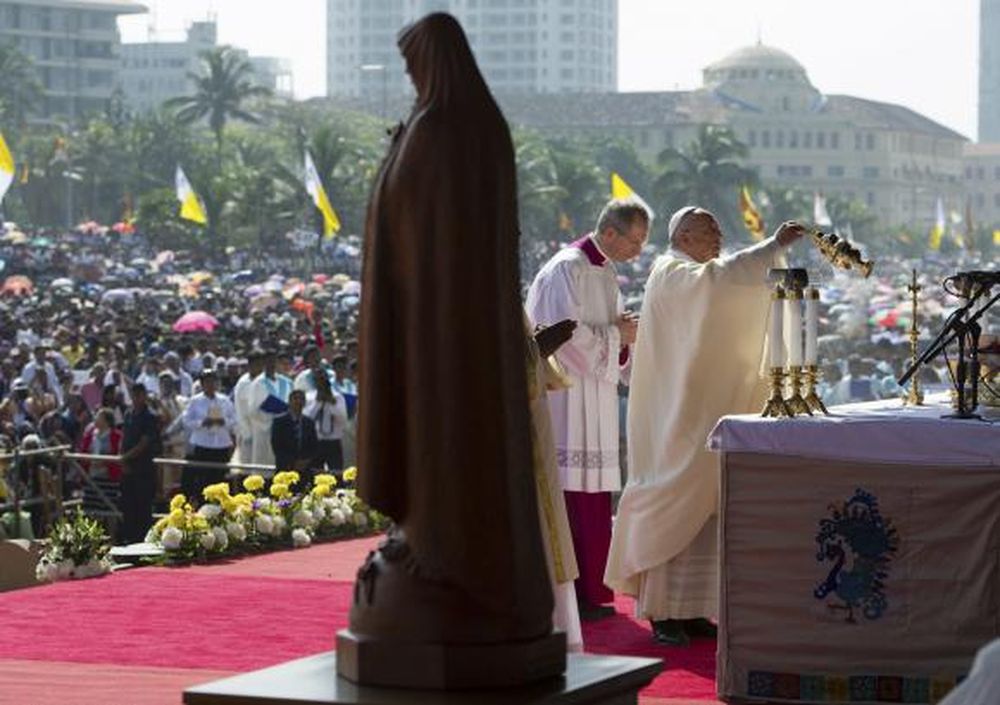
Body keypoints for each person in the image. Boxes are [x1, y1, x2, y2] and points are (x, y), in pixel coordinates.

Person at [354, 11, 552, 645]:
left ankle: (453, 552)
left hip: (448, 326)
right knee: (430, 432)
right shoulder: (445, 123)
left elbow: (427, 214)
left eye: (415, 65)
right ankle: (424, 533)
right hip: (425, 317)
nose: (410, 77)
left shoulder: (449, 126)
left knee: (450, 431)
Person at [604, 207, 805, 646]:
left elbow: (728, 284)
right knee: (672, 498)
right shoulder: (671, 271)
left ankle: (693, 609)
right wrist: (772, 247)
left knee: (708, 508)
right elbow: (716, 284)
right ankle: (661, 612)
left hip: (704, 412)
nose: (717, 235)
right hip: (677, 419)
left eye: (717, 228)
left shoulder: (698, 270)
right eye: (709, 229)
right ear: (685, 236)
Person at [525, 198, 648, 620]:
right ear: (609, 232)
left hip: (594, 399)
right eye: (634, 240)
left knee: (593, 496)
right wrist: (619, 335)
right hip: (566, 400)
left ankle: (592, 592)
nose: (638, 250)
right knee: (569, 493)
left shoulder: (606, 270)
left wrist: (623, 336)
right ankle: (571, 594)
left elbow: (609, 335)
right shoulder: (568, 267)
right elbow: (565, 340)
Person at [181, 370, 237, 501]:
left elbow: (234, 418)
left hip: (221, 444)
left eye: (213, 381)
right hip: (203, 444)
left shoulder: (224, 400)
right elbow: (186, 420)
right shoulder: (195, 400)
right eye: (207, 382)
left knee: (220, 479)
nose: (211, 385)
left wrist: (224, 422)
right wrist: (202, 422)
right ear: (202, 384)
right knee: (202, 480)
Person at [119, 383, 161, 544]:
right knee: (128, 506)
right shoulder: (129, 414)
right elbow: (125, 437)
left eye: (139, 394)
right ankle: (129, 539)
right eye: (134, 394)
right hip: (128, 469)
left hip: (143, 468)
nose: (136, 398)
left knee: (143, 508)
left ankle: (143, 541)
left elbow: (144, 442)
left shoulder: (149, 416)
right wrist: (122, 459)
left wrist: (126, 457)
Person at [247, 351, 292, 470]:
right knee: (265, 467)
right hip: (266, 429)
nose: (271, 364)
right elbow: (253, 410)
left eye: (273, 361)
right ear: (263, 363)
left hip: (285, 428)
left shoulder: (286, 382)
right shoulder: (257, 383)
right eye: (268, 361)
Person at [304, 370, 347, 478]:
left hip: (333, 442)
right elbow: (307, 419)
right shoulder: (309, 397)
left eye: (323, 380)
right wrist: (318, 403)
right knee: (314, 474)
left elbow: (343, 419)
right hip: (315, 441)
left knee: (336, 474)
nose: (321, 383)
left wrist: (331, 403)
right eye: (318, 381)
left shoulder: (338, 397)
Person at [271, 389, 318, 484]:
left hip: (305, 471)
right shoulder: (279, 422)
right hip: (285, 470)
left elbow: (314, 445)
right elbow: (276, 445)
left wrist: (305, 461)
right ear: (289, 401)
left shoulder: (309, 422)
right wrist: (292, 463)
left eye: (301, 399)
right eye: (295, 399)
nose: (298, 402)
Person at [232, 351, 264, 465]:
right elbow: (240, 411)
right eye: (257, 364)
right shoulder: (243, 383)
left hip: (264, 432)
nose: (260, 368)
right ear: (250, 365)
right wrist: (248, 435)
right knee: (247, 467)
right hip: (248, 432)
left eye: (262, 364)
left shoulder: (265, 381)